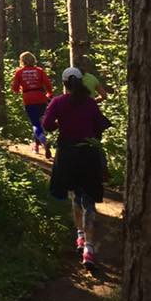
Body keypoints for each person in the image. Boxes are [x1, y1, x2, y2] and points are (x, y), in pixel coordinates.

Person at [42, 66, 110, 272]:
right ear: (81, 82)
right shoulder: (89, 103)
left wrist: (60, 126)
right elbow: (100, 126)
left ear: (64, 83)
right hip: (88, 154)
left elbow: (46, 124)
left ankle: (79, 236)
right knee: (88, 198)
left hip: (67, 154)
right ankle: (89, 247)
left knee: (74, 195)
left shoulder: (58, 102)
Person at [11, 52, 53, 159]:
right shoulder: (39, 70)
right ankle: (37, 145)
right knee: (40, 122)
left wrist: (20, 88)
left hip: (28, 98)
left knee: (35, 124)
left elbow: (15, 88)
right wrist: (49, 94)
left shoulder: (19, 72)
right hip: (40, 97)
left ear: (22, 61)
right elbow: (48, 84)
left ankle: (43, 143)